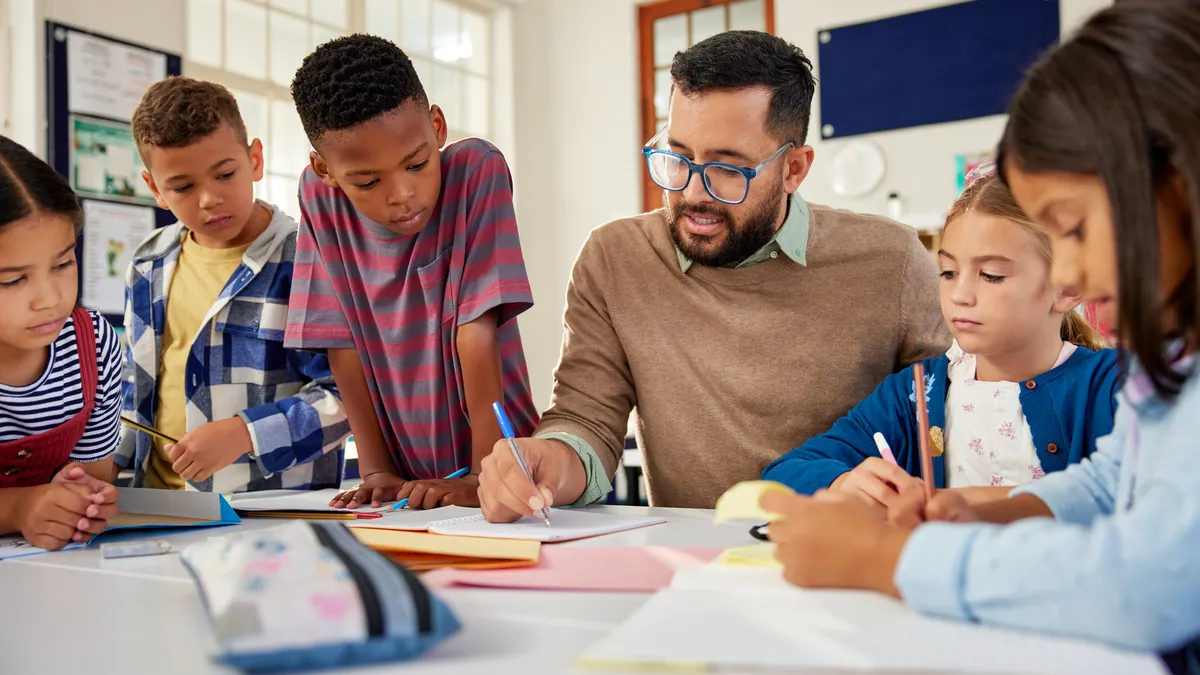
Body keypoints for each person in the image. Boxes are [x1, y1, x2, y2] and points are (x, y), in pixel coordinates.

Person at [763, 2, 1200, 671]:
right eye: (949, 271)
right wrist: (978, 510)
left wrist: (893, 558)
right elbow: (1116, 479)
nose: (1074, 274)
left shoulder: (1114, 372)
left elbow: (1148, 585)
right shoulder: (1164, 358)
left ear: (1179, 181)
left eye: (1074, 229)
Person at [477, 30, 949, 521]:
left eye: (728, 168)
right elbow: (586, 419)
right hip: (694, 567)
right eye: (678, 157)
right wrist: (547, 462)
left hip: (850, 552)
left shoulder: (892, 261)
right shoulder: (615, 258)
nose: (693, 193)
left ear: (793, 169)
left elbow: (955, 417)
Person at [285, 35, 538, 510]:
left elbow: (476, 332)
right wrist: (376, 468)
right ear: (325, 170)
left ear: (437, 126)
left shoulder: (474, 171)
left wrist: (487, 475)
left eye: (417, 163)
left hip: (508, 465)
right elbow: (340, 341)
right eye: (367, 181)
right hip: (407, 486)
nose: (402, 194)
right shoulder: (320, 200)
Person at [762, 171, 1119, 506]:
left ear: (1069, 287)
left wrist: (957, 503)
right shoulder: (916, 392)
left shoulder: (1119, 386)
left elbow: (1134, 497)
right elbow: (782, 475)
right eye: (948, 272)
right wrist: (840, 482)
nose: (959, 295)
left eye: (991, 275)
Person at [117, 77, 349, 493]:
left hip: (266, 517)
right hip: (152, 506)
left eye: (225, 174)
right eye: (183, 187)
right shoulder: (146, 263)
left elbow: (348, 399)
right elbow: (134, 392)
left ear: (255, 159)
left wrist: (246, 434)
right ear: (155, 189)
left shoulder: (309, 259)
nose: (209, 199)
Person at [0, 135, 119, 550]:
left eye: (64, 263)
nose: (49, 300)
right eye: (12, 280)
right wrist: (18, 509)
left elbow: (94, 478)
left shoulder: (93, 344)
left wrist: (83, 502)